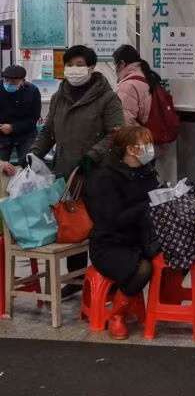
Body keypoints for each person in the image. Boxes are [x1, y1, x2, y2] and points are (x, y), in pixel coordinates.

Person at [30, 44, 124, 298]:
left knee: (100, 228)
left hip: (98, 173)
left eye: (79, 64)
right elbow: (48, 130)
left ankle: (107, 281)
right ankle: (76, 278)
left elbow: (117, 134)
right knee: (73, 225)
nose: (73, 70)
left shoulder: (107, 97)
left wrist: (93, 156)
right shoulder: (61, 95)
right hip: (66, 173)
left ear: (92, 68)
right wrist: (34, 153)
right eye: (69, 65)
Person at [86, 126, 160, 340]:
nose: (150, 149)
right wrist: (147, 204)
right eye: (145, 145)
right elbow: (112, 219)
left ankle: (161, 307)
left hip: (140, 238)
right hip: (109, 243)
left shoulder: (147, 171)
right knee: (143, 268)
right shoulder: (106, 177)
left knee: (175, 255)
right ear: (130, 149)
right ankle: (117, 315)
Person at [112, 45, 176, 185]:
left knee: (135, 189)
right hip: (153, 143)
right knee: (147, 184)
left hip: (136, 148)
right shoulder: (149, 78)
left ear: (122, 63)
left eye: (115, 65)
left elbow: (125, 122)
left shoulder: (128, 85)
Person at [0, 65, 41, 163]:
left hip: (26, 134)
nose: (9, 84)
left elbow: (33, 118)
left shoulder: (32, 91)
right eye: (6, 80)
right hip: (2, 134)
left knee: (28, 162)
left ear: (23, 81)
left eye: (13, 82)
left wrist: (13, 127)